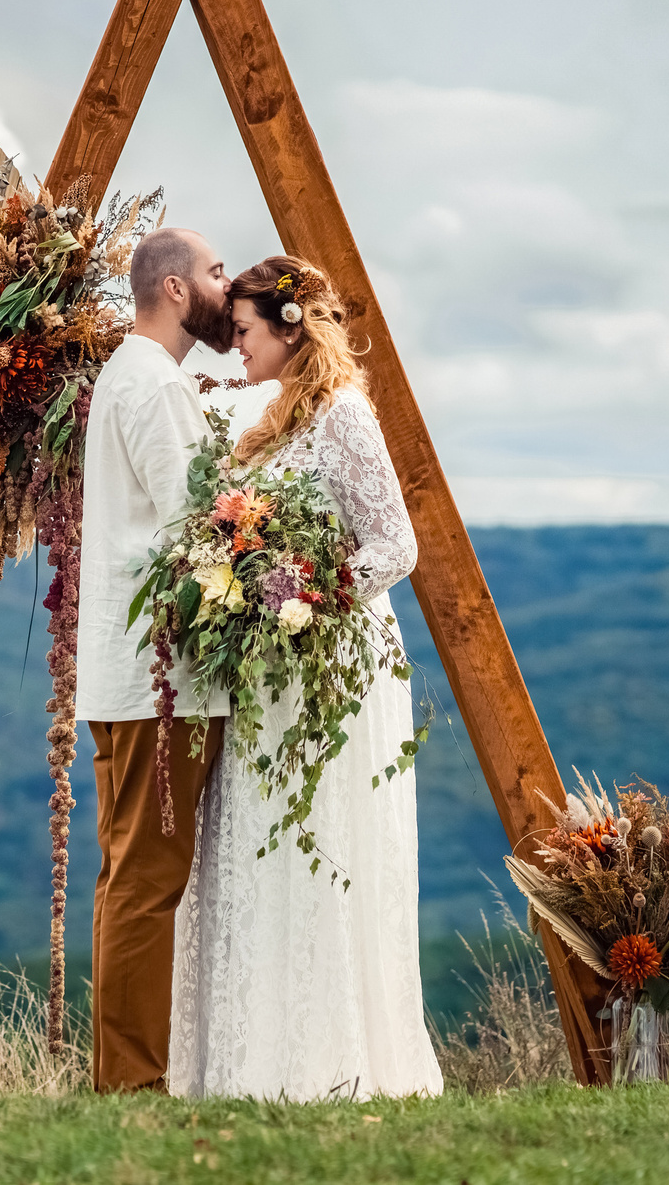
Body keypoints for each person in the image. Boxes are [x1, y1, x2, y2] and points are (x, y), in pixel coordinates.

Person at [168, 255, 445, 1100]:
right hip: (268, 667)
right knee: (254, 842)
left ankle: (330, 1062)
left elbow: (396, 545)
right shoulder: (274, 416)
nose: (236, 348)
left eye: (245, 332)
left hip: (331, 664)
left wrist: (302, 598)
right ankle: (243, 1063)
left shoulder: (345, 415)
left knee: (320, 844)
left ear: (291, 326)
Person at [76, 225, 235, 1092]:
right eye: (214, 273)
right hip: (157, 681)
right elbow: (198, 523)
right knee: (145, 884)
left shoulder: (122, 376)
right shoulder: (156, 385)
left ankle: (120, 1074)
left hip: (124, 675)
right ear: (175, 289)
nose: (224, 285)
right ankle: (130, 1084)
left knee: (124, 877)